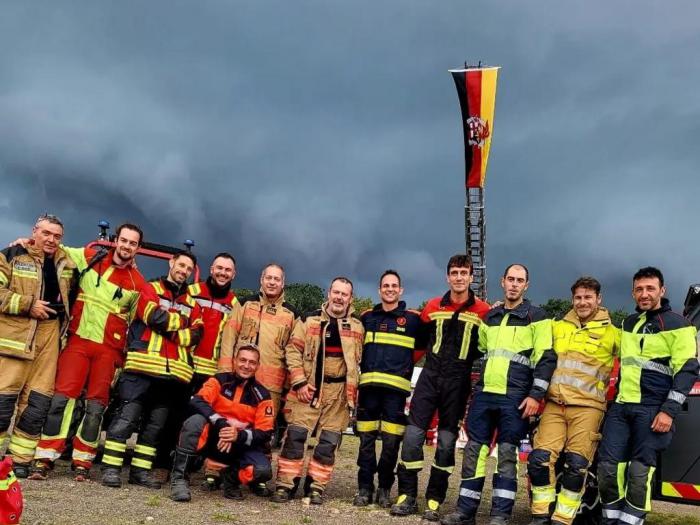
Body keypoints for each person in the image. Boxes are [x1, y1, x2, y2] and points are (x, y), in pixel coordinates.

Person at [30, 223, 148, 481]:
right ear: (116, 241)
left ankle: (83, 461)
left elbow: (144, 316)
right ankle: (45, 457)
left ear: (138, 248)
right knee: (61, 400)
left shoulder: (137, 282)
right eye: (124, 240)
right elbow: (57, 249)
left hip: (109, 352)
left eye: (133, 243)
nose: (127, 246)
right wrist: (28, 244)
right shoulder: (89, 257)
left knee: (96, 407)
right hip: (78, 342)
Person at [442, 263, 556, 525]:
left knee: (507, 454)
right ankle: (465, 511)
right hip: (485, 395)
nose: (514, 284)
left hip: (515, 397)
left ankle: (500, 514)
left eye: (520, 280)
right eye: (511, 279)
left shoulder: (537, 317)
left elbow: (546, 358)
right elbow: (481, 348)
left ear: (526, 285)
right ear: (502, 281)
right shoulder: (490, 317)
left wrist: (536, 394)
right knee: (473, 452)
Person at [392, 255, 490, 521]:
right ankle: (407, 495)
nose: (459, 277)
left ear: (471, 277)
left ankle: (434, 499)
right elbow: (420, 344)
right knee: (412, 436)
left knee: (446, 444)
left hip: (458, 382)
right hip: (429, 377)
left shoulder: (484, 311)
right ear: (447, 277)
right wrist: (402, 368)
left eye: (464, 273)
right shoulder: (433, 306)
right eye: (454, 272)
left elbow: (488, 348)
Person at [597, 267, 698, 525]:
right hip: (621, 409)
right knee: (608, 470)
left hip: (653, 410)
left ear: (662, 291)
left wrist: (668, 411)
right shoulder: (628, 323)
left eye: (650, 288)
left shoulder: (679, 324)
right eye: (639, 289)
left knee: (639, 474)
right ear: (633, 292)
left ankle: (631, 521)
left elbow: (686, 371)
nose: (644, 294)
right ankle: (612, 520)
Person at [101, 251, 203, 489]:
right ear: (171, 263)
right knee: (126, 420)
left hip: (172, 376)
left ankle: (140, 472)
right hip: (141, 368)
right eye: (181, 265)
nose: (184, 271)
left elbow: (197, 335)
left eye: (189, 268)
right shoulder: (150, 288)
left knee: (154, 429)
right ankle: (111, 469)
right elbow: (151, 316)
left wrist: (170, 324)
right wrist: (179, 324)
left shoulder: (192, 303)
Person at [527, 277, 619, 525]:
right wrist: (499, 308)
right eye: (578, 297)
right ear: (572, 299)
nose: (583, 302)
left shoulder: (614, 333)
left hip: (589, 409)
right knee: (538, 460)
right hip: (555, 406)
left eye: (588, 297)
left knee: (577, 466)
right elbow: (529, 329)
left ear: (599, 299)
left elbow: (637, 359)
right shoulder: (558, 326)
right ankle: (540, 515)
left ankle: (562, 519)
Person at [271, 277, 364, 505]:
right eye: (336, 292)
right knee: (295, 438)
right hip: (308, 389)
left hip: (339, 394)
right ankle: (285, 485)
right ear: (329, 293)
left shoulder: (358, 327)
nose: (339, 297)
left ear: (350, 298)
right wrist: (299, 382)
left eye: (344, 294)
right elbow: (292, 351)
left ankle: (316, 487)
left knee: (328, 444)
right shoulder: (308, 321)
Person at [0, 214, 76, 477]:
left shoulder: (67, 263)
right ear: (34, 231)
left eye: (57, 236)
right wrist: (27, 304)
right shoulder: (11, 255)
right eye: (46, 233)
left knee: (36, 404)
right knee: (2, 401)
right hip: (15, 337)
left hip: (49, 337)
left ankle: (20, 460)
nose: (51, 239)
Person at [152, 252, 239, 478]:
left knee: (202, 423)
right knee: (173, 416)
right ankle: (162, 464)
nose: (223, 273)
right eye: (219, 268)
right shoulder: (192, 292)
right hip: (185, 367)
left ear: (234, 274)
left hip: (212, 374)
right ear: (211, 269)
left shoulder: (235, 304)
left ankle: (189, 466)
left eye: (228, 270)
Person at [217, 263, 300, 493]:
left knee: (263, 433)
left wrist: (288, 387)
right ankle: (215, 473)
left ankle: (256, 477)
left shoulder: (291, 314)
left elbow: (292, 351)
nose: (272, 282)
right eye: (269, 278)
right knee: (231, 423)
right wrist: (225, 374)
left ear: (283, 284)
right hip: (239, 381)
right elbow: (229, 337)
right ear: (261, 280)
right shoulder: (244, 305)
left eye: (277, 279)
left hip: (270, 387)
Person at [353, 270, 425, 508]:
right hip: (369, 391)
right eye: (386, 285)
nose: (390, 289)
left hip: (395, 393)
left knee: (391, 445)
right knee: (366, 442)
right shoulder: (366, 317)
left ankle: (384, 488)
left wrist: (404, 365)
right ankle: (364, 488)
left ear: (401, 290)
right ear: (379, 289)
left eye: (394, 285)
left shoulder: (413, 319)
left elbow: (422, 348)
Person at [170, 345, 275, 502]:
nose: (246, 366)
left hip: (239, 447)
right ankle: (179, 479)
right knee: (194, 422)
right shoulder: (219, 380)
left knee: (263, 471)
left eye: (252, 362)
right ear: (234, 361)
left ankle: (231, 479)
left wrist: (237, 435)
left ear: (258, 366)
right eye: (242, 360)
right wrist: (221, 423)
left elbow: (266, 432)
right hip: (213, 441)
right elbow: (197, 400)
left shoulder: (263, 395)